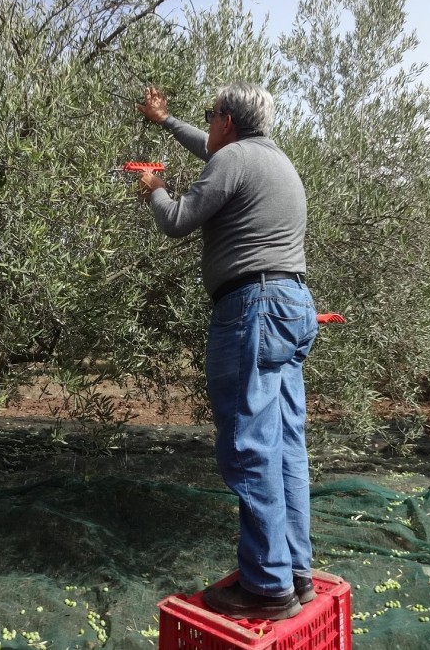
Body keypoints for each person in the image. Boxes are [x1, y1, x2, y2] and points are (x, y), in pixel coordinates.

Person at [136, 83, 319, 622]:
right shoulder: (273, 161)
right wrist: (166, 122)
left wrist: (153, 190)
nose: (207, 124)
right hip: (291, 305)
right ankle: (295, 574)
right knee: (285, 443)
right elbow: (215, 154)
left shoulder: (233, 159)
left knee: (249, 446)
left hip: (251, 309)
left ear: (227, 122)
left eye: (209, 116)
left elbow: (175, 222)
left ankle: (266, 587)